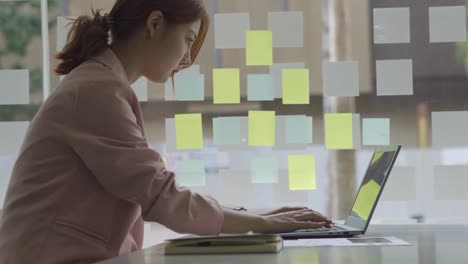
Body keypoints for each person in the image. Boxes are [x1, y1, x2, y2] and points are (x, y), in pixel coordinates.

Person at [0, 0, 331, 263]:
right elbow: (161, 199)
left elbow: (159, 193)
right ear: (154, 23)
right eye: (188, 39)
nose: (187, 59)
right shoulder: (95, 90)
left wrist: (258, 216)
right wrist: (263, 224)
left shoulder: (100, 84)